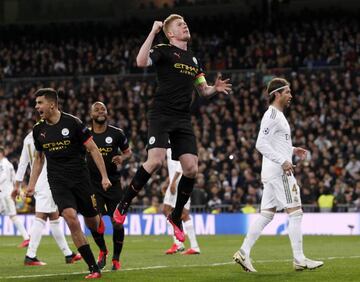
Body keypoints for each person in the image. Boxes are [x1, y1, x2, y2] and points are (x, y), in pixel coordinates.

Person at [113, 14, 232, 243]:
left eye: (185, 23)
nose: (185, 25)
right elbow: (140, 61)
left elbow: (203, 91)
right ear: (170, 33)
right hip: (161, 114)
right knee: (155, 160)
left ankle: (176, 216)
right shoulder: (163, 50)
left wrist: (214, 89)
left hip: (182, 118)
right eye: (179, 24)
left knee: (191, 169)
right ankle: (123, 204)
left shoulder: (193, 60)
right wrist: (152, 31)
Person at [233, 78, 324, 272]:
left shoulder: (277, 115)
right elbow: (260, 143)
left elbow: (274, 143)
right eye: (288, 92)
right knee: (296, 212)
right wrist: (283, 161)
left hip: (271, 172)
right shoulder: (272, 115)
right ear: (277, 94)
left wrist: (291, 149)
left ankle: (243, 252)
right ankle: (299, 259)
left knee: (266, 215)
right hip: (279, 171)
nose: (291, 96)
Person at [28, 88, 111, 279]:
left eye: (40, 103)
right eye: (36, 103)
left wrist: (104, 176)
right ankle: (93, 268)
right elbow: (39, 158)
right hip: (57, 181)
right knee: (70, 217)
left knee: (92, 221)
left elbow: (93, 148)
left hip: (80, 179)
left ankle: (102, 249)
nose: (36, 106)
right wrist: (31, 184)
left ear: (52, 104)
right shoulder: (38, 129)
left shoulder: (73, 123)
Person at [12, 131, 82, 266]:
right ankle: (30, 256)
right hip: (46, 181)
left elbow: (23, 163)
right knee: (42, 216)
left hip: (38, 182)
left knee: (54, 216)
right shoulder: (47, 135)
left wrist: (17, 184)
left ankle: (68, 254)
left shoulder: (28, 138)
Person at [87, 101, 132, 271]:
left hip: (113, 184)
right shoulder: (84, 134)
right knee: (94, 222)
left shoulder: (117, 134)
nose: (100, 111)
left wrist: (123, 158)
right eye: (96, 109)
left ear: (107, 113)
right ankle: (102, 251)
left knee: (117, 223)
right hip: (92, 185)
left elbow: (128, 152)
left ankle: (116, 259)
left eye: (103, 109)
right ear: (91, 114)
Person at [163, 148, 200, 255]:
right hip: (177, 180)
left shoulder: (176, 142)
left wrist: (173, 181)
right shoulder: (170, 144)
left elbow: (182, 164)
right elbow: (173, 167)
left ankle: (180, 244)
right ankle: (191, 246)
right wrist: (168, 181)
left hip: (179, 181)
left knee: (170, 211)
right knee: (180, 213)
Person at [0, 146, 30, 248]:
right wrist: (19, 190)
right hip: (5, 193)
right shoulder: (8, 164)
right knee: (12, 216)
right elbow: (14, 178)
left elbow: (3, 177)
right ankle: (26, 238)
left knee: (13, 216)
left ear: (1, 153)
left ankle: (26, 238)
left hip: (5, 194)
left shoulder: (3, 164)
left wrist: (18, 191)